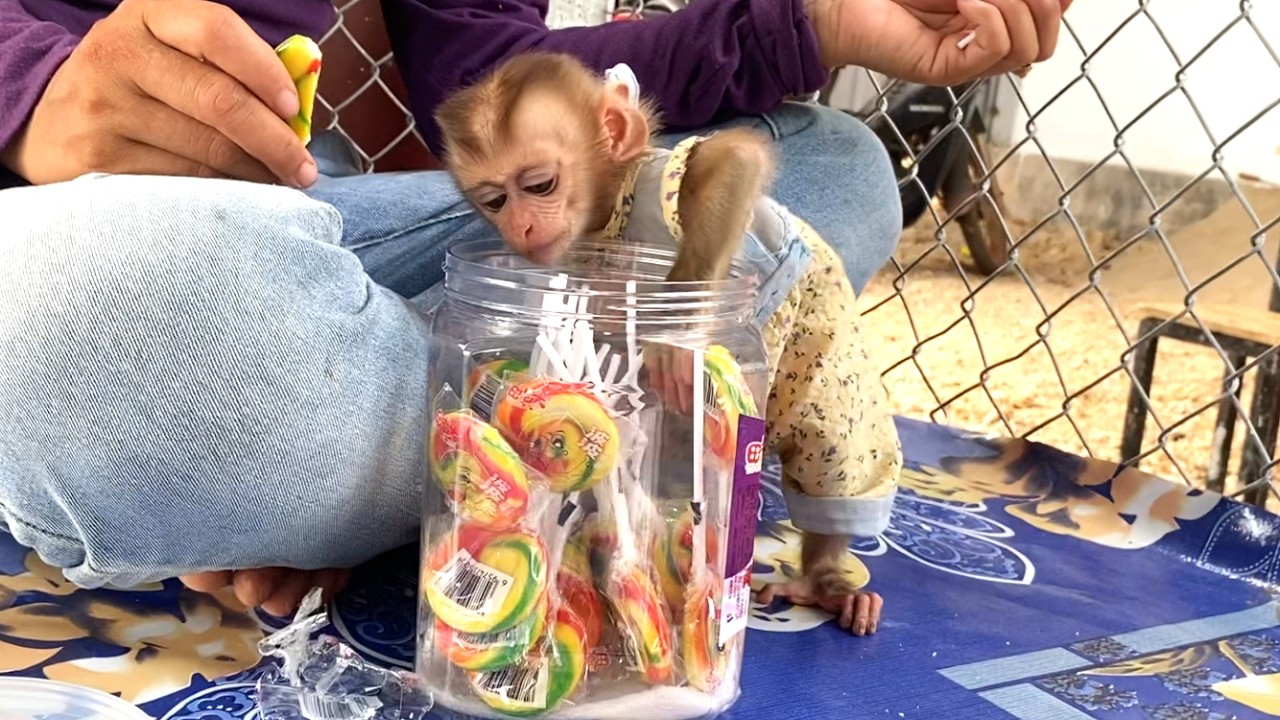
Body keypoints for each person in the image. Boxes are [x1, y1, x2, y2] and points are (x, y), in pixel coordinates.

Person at [0, 0, 1070, 617]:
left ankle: (320, 468)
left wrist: (811, 18)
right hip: (70, 225)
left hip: (316, 225)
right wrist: (34, 89)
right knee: (90, 298)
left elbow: (497, 83)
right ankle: (470, 450)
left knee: (824, 172)